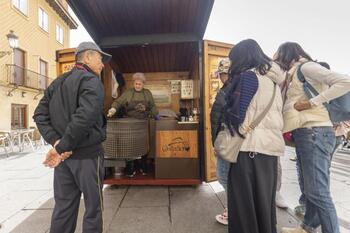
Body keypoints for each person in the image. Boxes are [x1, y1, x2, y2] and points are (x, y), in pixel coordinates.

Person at [33, 42, 110, 233]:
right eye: (100, 59)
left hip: (63, 160)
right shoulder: (91, 81)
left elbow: (39, 115)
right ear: (87, 57)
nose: (102, 65)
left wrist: (57, 143)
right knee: (93, 208)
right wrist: (61, 147)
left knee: (63, 208)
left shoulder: (57, 83)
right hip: (88, 158)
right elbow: (85, 117)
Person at [275, 42, 350, 233]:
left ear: (286, 54)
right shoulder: (293, 73)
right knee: (310, 190)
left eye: (278, 56)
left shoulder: (305, 66)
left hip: (314, 132)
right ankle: (307, 227)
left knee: (318, 192)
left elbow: (345, 82)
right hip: (306, 133)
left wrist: (311, 102)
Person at [225, 39, 285, 233]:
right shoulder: (273, 80)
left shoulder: (248, 77)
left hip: (248, 148)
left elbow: (236, 116)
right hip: (270, 149)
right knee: (264, 206)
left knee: (243, 207)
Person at [107, 73, 157, 177]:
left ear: (143, 84)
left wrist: (155, 114)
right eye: (136, 84)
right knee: (130, 147)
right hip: (130, 124)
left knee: (143, 146)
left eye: (140, 84)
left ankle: (143, 166)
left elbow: (152, 106)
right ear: (134, 83)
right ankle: (131, 168)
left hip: (143, 123)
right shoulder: (128, 93)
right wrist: (113, 109)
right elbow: (118, 102)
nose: (138, 86)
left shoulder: (147, 93)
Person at [210, 58, 231, 225]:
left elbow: (218, 118)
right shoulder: (230, 88)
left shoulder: (228, 90)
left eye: (221, 74)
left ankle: (233, 210)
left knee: (223, 176)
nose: (220, 77)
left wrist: (216, 142)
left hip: (227, 139)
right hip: (228, 137)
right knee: (227, 176)